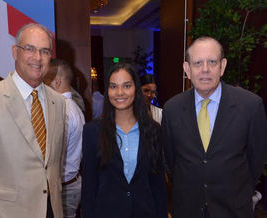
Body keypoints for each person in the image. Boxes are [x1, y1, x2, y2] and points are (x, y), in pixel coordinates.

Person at [0, 23, 66, 218]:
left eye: (45, 51)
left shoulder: (58, 102)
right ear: (15, 51)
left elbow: (53, 166)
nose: (37, 58)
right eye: (29, 49)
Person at [162, 36, 267, 218]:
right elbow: (171, 161)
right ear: (187, 69)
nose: (205, 69)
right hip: (187, 209)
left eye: (212, 61)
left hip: (233, 210)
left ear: (222, 66)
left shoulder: (250, 106)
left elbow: (256, 160)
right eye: (197, 63)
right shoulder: (172, 109)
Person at [82, 62, 168, 218]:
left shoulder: (154, 131)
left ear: (136, 89)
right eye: (113, 86)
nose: (119, 92)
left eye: (126, 86)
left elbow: (158, 186)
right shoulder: (92, 132)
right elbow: (89, 188)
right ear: (107, 90)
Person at [44, 58, 85, 218]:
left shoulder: (64, 111)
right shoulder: (72, 107)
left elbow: (54, 153)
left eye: (45, 83)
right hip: (70, 183)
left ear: (56, 82)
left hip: (64, 188)